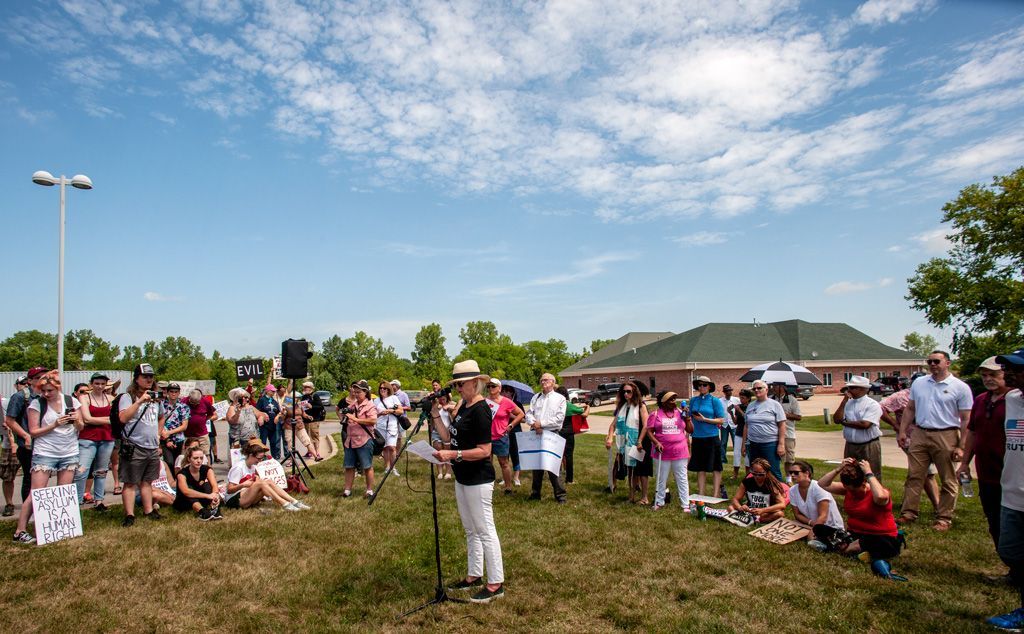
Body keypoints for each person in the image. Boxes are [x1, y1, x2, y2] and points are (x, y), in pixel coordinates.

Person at [431, 360, 505, 604]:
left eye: (462, 384)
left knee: (485, 530)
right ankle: (474, 574)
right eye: (456, 384)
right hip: (463, 477)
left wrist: (452, 455)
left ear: (476, 383)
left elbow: (485, 450)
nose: (458, 389)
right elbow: (449, 437)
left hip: (478, 479)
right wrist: (435, 416)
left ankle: (496, 583)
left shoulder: (482, 410)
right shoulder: (462, 406)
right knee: (470, 530)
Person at [897, 350, 973, 531]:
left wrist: (961, 446)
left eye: (936, 361)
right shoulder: (919, 383)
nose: (932, 365)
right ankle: (908, 513)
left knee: (948, 479)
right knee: (915, 475)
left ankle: (944, 517)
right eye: (930, 361)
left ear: (947, 363)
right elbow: (910, 408)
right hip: (920, 433)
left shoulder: (960, 387)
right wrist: (902, 431)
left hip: (946, 434)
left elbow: (966, 419)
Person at [12, 372, 84, 544]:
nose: (46, 394)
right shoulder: (37, 404)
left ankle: (58, 528)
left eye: (49, 390)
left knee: (62, 492)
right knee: (37, 493)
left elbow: (81, 426)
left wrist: (75, 420)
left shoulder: (71, 401)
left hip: (69, 451)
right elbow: (34, 431)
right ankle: (20, 531)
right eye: (43, 390)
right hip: (45, 452)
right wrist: (54, 424)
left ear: (58, 388)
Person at [985, 348, 1024, 630]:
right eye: (1007, 368)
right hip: (1011, 492)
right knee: (1011, 553)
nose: (1008, 373)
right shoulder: (1012, 399)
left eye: (1016, 368)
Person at [958, 357, 1011, 550]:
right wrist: (965, 463)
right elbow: (972, 431)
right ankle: (1008, 564)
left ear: (1006, 374)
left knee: (1014, 522)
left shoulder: (1016, 399)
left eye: (993, 374)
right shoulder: (981, 400)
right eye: (984, 375)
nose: (988, 379)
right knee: (993, 518)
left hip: (1011, 473)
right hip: (987, 473)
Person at [819, 458, 904, 575]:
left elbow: (880, 497)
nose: (851, 493)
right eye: (848, 490)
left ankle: (848, 548)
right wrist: (839, 469)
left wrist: (868, 473)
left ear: (864, 483)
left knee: (872, 542)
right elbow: (822, 484)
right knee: (819, 529)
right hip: (855, 534)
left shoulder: (878, 494)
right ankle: (854, 549)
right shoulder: (848, 489)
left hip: (880, 537)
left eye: (854, 491)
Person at [117, 363, 164, 527]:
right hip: (134, 445)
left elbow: (161, 417)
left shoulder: (156, 398)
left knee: (147, 481)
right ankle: (129, 515)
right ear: (137, 378)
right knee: (130, 482)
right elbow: (122, 418)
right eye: (145, 376)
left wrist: (158, 434)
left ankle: (148, 510)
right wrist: (140, 402)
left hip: (151, 446)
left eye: (151, 376)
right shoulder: (127, 397)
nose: (149, 379)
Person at [881, 386, 940, 509]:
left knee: (917, 471)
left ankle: (908, 504)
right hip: (909, 439)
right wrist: (896, 425)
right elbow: (880, 407)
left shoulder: (934, 393)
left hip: (930, 438)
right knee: (927, 472)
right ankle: (937, 506)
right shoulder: (900, 396)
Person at [4, 367, 49, 519]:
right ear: (30, 381)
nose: (43, 380)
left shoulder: (47, 395)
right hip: (28, 445)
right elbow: (9, 420)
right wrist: (25, 435)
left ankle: (41, 511)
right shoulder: (20, 397)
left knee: (42, 479)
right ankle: (28, 514)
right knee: (30, 479)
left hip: (45, 443)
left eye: (45, 377)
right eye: (38, 377)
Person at [225, 439, 308, 511]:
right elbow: (229, 490)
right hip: (234, 500)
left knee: (268, 481)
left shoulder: (253, 466)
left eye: (261, 458)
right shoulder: (239, 467)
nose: (260, 461)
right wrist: (243, 484)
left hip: (245, 496)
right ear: (250, 455)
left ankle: (294, 501)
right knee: (261, 483)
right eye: (259, 458)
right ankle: (285, 504)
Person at [73, 372, 116, 511]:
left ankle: (99, 500)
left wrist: (97, 420)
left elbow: (116, 419)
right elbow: (86, 419)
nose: (100, 386)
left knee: (101, 471)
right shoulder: (84, 397)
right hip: (88, 438)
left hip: (107, 438)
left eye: (103, 384)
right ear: (91, 384)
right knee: (82, 470)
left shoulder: (110, 398)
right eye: (97, 383)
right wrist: (107, 420)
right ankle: (78, 500)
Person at [525, 373, 568, 504]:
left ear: (553, 382)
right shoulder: (536, 397)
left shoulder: (560, 399)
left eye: (546, 380)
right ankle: (535, 493)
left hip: (552, 435)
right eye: (541, 379)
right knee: (536, 465)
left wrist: (541, 423)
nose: (543, 382)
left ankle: (560, 495)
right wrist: (534, 424)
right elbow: (529, 414)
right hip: (536, 434)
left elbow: (559, 419)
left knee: (553, 466)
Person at [645, 391, 691, 510]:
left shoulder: (681, 413)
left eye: (674, 399)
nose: (674, 402)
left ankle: (685, 504)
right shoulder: (655, 414)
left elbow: (691, 430)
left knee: (682, 478)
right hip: (662, 452)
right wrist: (656, 442)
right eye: (670, 399)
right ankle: (660, 501)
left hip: (680, 451)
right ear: (663, 402)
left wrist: (688, 418)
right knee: (661, 478)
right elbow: (649, 431)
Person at [605, 381, 649, 503]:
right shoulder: (622, 407)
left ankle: (643, 497)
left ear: (634, 392)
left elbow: (646, 425)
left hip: (639, 442)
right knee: (630, 470)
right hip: (626, 443)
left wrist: (639, 441)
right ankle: (631, 496)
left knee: (639, 471)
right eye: (624, 391)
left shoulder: (641, 406)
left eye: (628, 391)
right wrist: (610, 437)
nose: (626, 394)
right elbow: (613, 425)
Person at [787, 460, 845, 552]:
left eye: (796, 473)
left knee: (812, 541)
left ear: (807, 473)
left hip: (830, 525)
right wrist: (811, 523)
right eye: (791, 473)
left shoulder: (818, 487)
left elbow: (823, 516)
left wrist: (814, 530)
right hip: (812, 524)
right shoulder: (792, 490)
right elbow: (797, 515)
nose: (792, 475)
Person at [834, 376, 884, 479]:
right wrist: (844, 402)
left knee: (871, 474)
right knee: (849, 474)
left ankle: (873, 494)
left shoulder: (872, 404)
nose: (848, 390)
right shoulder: (847, 403)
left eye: (852, 388)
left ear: (862, 389)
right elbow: (836, 419)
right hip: (850, 445)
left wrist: (845, 423)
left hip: (868, 446)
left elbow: (865, 424)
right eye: (848, 388)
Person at [687, 376, 726, 498]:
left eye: (704, 385)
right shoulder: (693, 400)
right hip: (697, 437)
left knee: (716, 466)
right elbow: (689, 416)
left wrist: (705, 419)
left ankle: (715, 494)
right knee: (700, 466)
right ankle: (701, 493)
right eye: (699, 385)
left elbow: (721, 420)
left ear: (709, 387)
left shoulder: (715, 401)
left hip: (712, 437)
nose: (702, 387)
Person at [742, 380, 787, 480]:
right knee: (755, 471)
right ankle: (758, 493)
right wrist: (744, 444)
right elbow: (746, 426)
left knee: (773, 471)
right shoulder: (750, 405)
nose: (757, 390)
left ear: (766, 390)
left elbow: (782, 425)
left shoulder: (775, 405)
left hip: (770, 444)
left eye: (759, 388)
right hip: (753, 444)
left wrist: (781, 444)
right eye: (754, 388)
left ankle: (777, 494)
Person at [341, 380, 378, 499]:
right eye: (355, 392)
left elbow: (373, 420)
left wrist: (356, 419)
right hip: (350, 440)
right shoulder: (353, 405)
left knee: (367, 466)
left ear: (365, 392)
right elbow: (346, 413)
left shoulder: (370, 405)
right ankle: (347, 489)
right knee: (349, 466)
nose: (356, 394)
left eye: (359, 392)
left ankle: (369, 490)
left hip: (364, 440)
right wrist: (345, 415)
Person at [488, 379, 524, 494]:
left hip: (500, 437)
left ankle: (508, 488)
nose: (490, 388)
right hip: (486, 437)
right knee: (487, 463)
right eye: (488, 386)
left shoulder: (506, 402)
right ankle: (488, 486)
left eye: (493, 386)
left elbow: (521, 414)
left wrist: (511, 425)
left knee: (503, 463)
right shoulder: (484, 401)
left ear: (499, 388)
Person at [726, 457, 787, 523]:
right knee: (730, 508)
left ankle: (753, 520)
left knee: (779, 514)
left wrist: (763, 510)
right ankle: (754, 520)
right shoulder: (746, 482)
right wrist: (740, 507)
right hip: (749, 511)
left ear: (767, 473)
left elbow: (782, 504)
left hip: (765, 512)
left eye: (761, 474)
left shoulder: (771, 485)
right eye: (754, 473)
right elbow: (735, 499)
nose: (757, 476)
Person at [174, 445, 223, 520]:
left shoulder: (207, 469)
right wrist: (207, 496)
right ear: (189, 459)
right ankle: (202, 512)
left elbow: (214, 485)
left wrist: (215, 496)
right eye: (195, 458)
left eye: (201, 458)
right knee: (190, 490)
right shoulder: (182, 473)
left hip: (201, 498)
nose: (199, 461)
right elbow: (186, 491)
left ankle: (215, 509)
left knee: (207, 485)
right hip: (184, 502)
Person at [158, 383, 190, 478]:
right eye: (171, 391)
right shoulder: (161, 404)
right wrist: (165, 434)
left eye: (176, 392)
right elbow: (157, 421)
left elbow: (184, 426)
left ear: (179, 393)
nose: (173, 394)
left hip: (178, 438)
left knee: (178, 463)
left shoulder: (183, 407)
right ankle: (170, 481)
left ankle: (177, 482)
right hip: (163, 438)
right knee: (169, 462)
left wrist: (169, 432)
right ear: (167, 392)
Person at [770, 382, 802, 477]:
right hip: (772, 433)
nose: (774, 388)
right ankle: (774, 477)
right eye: (773, 386)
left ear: (782, 387)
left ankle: (789, 479)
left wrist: (785, 415)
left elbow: (798, 417)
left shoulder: (792, 400)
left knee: (789, 458)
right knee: (773, 458)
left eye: (776, 386)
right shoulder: (770, 399)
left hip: (788, 433)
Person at [556, 385, 586, 486]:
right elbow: (584, 413)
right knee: (568, 456)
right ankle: (569, 479)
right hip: (568, 433)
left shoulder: (555, 405)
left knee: (557, 455)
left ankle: (556, 476)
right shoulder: (569, 405)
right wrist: (588, 407)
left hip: (557, 432)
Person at [373, 382, 404, 474]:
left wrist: (391, 410)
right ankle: (387, 467)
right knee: (385, 448)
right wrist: (380, 413)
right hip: (381, 426)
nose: (382, 389)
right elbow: (374, 415)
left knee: (392, 447)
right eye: (381, 388)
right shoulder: (376, 400)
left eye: (384, 388)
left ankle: (393, 467)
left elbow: (400, 411)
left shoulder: (394, 398)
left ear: (388, 389)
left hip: (392, 425)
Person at [184, 388, 217, 464]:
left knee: (206, 454)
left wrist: (203, 420)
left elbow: (211, 414)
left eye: (197, 403)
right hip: (187, 434)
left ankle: (209, 471)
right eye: (192, 403)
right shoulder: (183, 401)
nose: (195, 405)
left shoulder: (205, 402)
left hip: (202, 434)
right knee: (187, 454)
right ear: (189, 398)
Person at [430, 391, 457, 480]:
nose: (442, 399)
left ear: (447, 397)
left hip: (448, 432)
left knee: (447, 452)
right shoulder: (436, 406)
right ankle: (440, 472)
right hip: (436, 432)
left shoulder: (451, 404)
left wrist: (448, 407)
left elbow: (457, 407)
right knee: (438, 452)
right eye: (440, 398)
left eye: (443, 398)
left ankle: (448, 472)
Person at [502, 385, 525, 487]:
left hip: (515, 432)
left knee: (515, 453)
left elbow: (524, 419)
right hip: (503, 432)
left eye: (505, 391)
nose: (503, 394)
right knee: (504, 454)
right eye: (502, 391)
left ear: (511, 393)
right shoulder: (501, 403)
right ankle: (505, 477)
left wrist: (511, 415)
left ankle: (516, 477)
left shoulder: (517, 404)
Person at [255, 384, 283, 461]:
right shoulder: (262, 400)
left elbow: (279, 411)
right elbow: (257, 411)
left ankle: (274, 459)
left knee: (274, 443)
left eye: (274, 391)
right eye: (272, 391)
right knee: (263, 442)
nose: (274, 392)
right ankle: (261, 459)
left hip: (273, 425)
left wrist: (278, 416)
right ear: (267, 391)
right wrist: (261, 416)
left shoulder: (274, 401)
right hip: (264, 426)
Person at [732, 388, 753, 479]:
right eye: (740, 397)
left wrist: (740, 410)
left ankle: (748, 475)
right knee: (737, 453)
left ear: (748, 398)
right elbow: (735, 422)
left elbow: (748, 418)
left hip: (749, 433)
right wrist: (730, 413)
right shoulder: (738, 406)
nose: (741, 399)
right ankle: (735, 473)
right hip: (739, 432)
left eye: (743, 398)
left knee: (748, 455)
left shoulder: (751, 407)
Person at [300, 381, 325, 458]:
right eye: (305, 387)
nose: (305, 388)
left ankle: (317, 452)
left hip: (314, 420)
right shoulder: (304, 397)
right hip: (306, 420)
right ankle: (309, 452)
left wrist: (312, 407)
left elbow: (321, 407)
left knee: (314, 436)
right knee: (307, 437)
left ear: (311, 388)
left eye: (307, 387)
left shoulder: (315, 396)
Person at [720, 385, 740, 467]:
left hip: (733, 424)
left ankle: (736, 460)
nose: (728, 392)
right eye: (727, 391)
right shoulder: (720, 401)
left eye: (730, 391)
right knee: (723, 442)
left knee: (736, 443)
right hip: (724, 424)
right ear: (724, 392)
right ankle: (723, 459)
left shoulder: (736, 400)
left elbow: (739, 410)